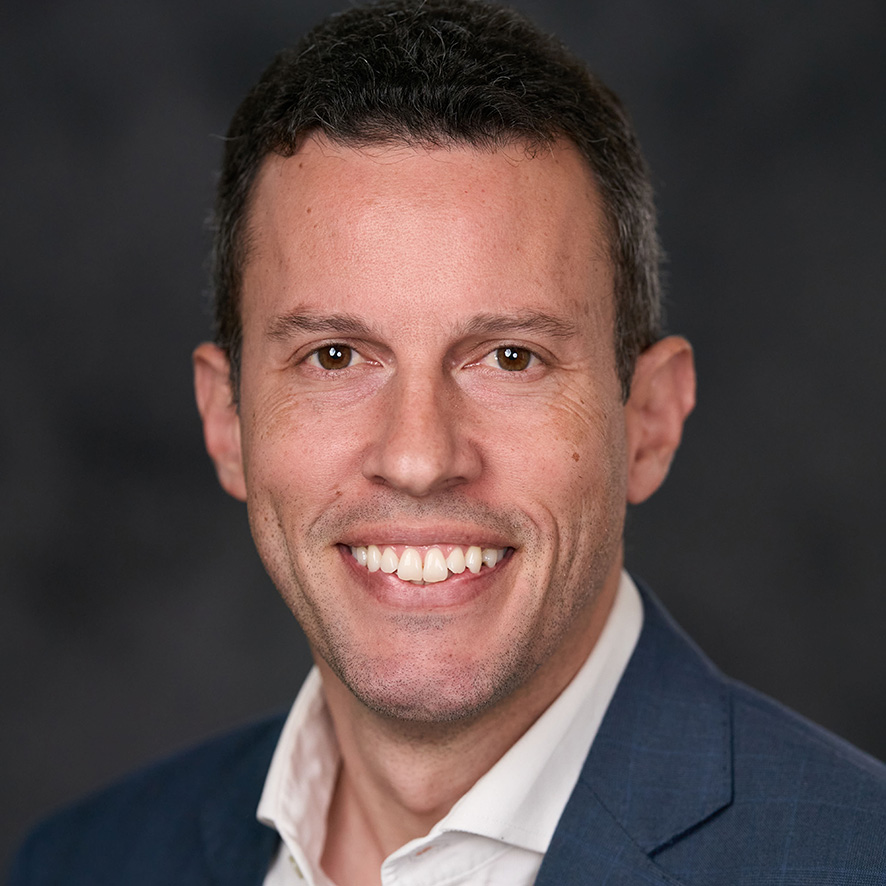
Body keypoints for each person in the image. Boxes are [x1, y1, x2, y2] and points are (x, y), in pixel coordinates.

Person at [9, 0, 886, 883]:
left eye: (510, 357)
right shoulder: (82, 862)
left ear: (649, 418)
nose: (421, 458)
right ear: (227, 422)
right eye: (336, 356)